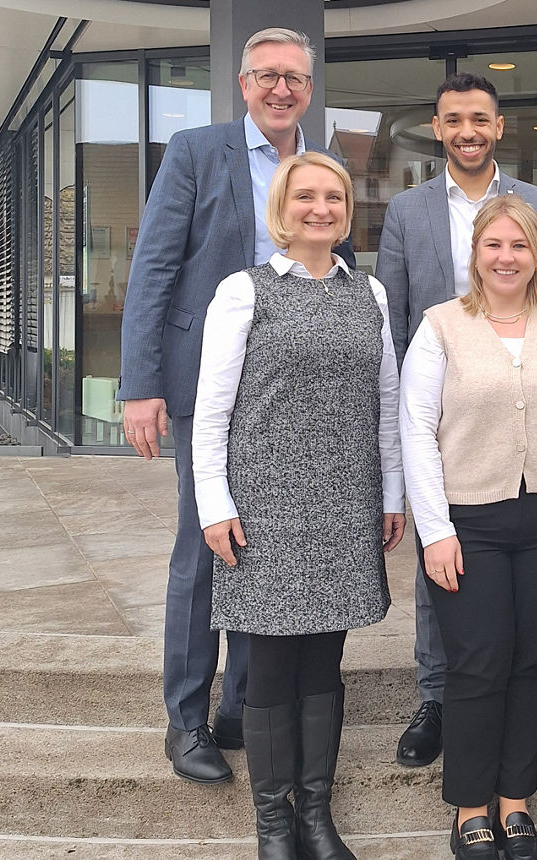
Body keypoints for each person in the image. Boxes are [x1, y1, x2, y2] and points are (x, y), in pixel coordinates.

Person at [118, 27, 353, 785]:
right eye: (267, 76)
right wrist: (141, 384)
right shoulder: (196, 150)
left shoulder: (324, 166)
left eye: (295, 78)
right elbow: (154, 265)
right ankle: (185, 721)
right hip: (206, 382)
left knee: (268, 544)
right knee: (203, 544)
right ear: (244, 83)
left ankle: (242, 705)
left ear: (309, 90)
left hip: (291, 389)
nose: (282, 89)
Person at [193, 151, 405, 859]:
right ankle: (273, 824)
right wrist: (213, 503)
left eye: (334, 198)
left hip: (346, 502)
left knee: (323, 668)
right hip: (266, 507)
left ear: (349, 211)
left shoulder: (368, 294)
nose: (321, 209)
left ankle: (316, 814)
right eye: (306, 197)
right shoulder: (243, 292)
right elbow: (211, 411)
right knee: (273, 669)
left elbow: (386, 406)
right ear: (282, 209)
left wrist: (393, 492)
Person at [375, 72, 537, 769]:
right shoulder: (406, 210)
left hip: (528, 410)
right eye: (454, 118)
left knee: (525, 595)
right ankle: (438, 696)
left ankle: (529, 706)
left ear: (499, 128)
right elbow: (397, 322)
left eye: (481, 119)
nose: (468, 130)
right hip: (449, 407)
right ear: (438, 128)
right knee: (446, 563)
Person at [399, 195, 537, 860]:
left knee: (533, 657)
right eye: (494, 245)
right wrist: (435, 531)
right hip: (467, 521)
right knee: (478, 663)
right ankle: (470, 807)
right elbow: (416, 430)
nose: (507, 258)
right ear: (475, 253)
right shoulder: (440, 327)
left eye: (520, 246)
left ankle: (516, 802)